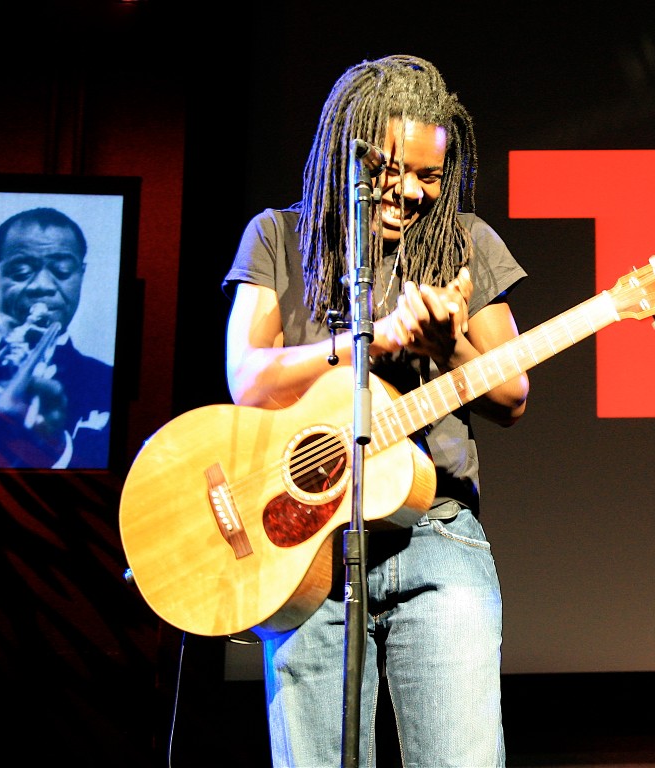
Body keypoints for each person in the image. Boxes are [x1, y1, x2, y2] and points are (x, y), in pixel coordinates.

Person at [222, 55, 529, 767]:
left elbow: (512, 396)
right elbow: (248, 377)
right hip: (306, 548)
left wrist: (448, 347)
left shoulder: (466, 243)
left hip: (436, 537)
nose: (413, 192)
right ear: (346, 150)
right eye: (395, 171)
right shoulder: (276, 237)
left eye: (430, 175)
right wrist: (366, 339)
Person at [0, 207, 112, 469]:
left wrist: (54, 447)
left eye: (62, 271)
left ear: (81, 276)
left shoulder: (106, 382)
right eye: (20, 272)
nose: (42, 285)